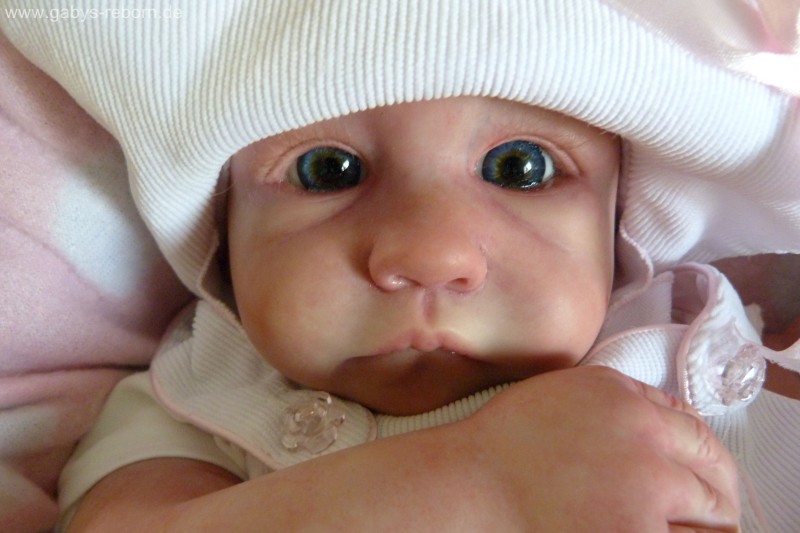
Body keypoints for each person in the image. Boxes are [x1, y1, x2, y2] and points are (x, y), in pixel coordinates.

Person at [2, 1, 798, 531]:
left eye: (520, 168)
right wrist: (474, 486)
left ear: (619, 221)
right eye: (328, 170)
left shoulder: (694, 342)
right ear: (224, 229)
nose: (428, 253)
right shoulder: (197, 397)